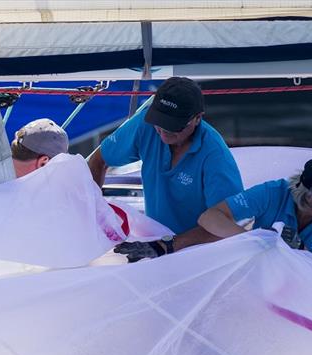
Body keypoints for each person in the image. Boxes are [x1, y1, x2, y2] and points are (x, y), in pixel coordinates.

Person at [86, 77, 243, 261]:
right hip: (155, 245)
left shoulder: (215, 156)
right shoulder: (144, 125)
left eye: (172, 126)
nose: (162, 131)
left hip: (202, 256)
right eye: (158, 122)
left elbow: (228, 225)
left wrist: (168, 245)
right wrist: (94, 217)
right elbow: (97, 160)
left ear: (197, 118)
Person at [196, 156, 312, 269]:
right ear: (311, 198)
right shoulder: (273, 193)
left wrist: (301, 250)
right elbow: (209, 217)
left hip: (307, 297)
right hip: (259, 281)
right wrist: (255, 240)